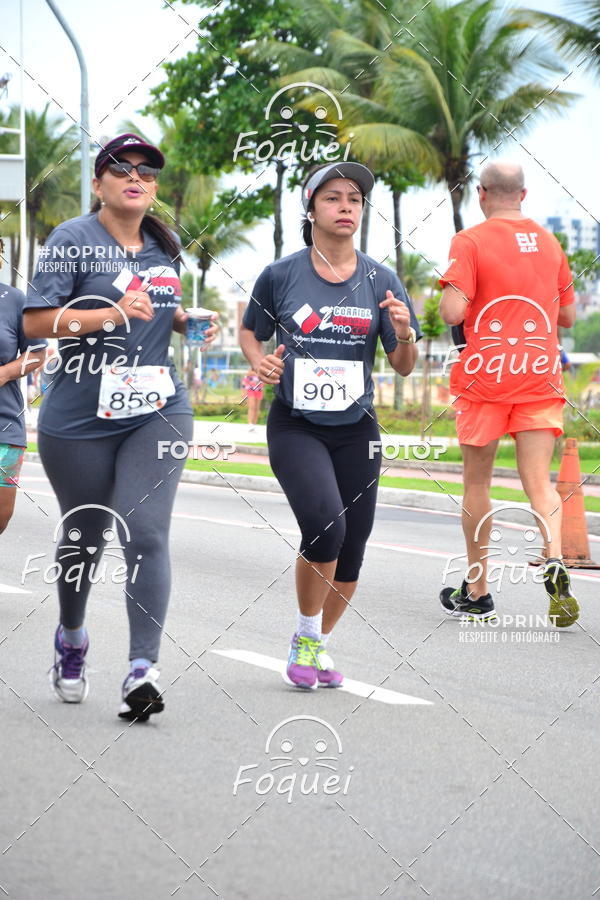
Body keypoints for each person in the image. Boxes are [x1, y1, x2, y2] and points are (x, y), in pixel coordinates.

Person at [24, 133, 218, 720]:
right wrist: (109, 314)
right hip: (79, 415)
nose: (137, 178)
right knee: (85, 535)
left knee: (145, 530)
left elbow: (157, 309)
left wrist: (184, 320)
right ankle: (73, 637)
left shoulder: (164, 243)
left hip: (158, 408)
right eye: (122, 168)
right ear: (99, 183)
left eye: (148, 173)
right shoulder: (71, 240)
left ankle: (142, 669)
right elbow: (35, 322)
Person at [240, 162, 421, 689]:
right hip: (296, 424)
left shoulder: (382, 280)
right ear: (312, 208)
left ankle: (316, 643)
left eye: (355, 200)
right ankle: (304, 632)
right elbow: (250, 333)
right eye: (333, 198)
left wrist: (407, 333)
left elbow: (403, 363)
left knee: (355, 544)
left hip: (357, 428)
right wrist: (258, 361)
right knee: (326, 526)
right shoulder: (281, 274)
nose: (346, 207)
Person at [438, 161, 579, 627]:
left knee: (477, 484)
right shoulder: (550, 241)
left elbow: (451, 310)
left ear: (481, 193)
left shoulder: (470, 240)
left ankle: (477, 589)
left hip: (487, 380)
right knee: (540, 482)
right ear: (523, 194)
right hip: (540, 375)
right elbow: (569, 319)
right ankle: (555, 555)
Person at [0, 240, 46, 532]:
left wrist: (5, 373)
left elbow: (37, 354)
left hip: (5, 426)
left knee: (2, 516)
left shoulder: (15, 300)